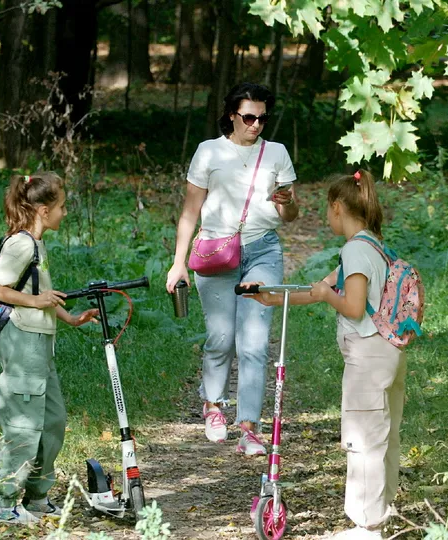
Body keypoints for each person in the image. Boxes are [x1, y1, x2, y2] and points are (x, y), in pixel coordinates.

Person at [244, 170, 406, 540]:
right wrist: (270, 296)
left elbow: (352, 306)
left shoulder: (355, 250)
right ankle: (380, 516)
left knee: (363, 440)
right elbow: (320, 288)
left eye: (326, 209)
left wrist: (327, 296)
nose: (326, 216)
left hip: (368, 357)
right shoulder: (374, 246)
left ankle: (367, 527)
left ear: (337, 207)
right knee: (384, 438)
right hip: (389, 352)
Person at [165, 82, 300, 456]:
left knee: (254, 342)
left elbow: (290, 215)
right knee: (221, 336)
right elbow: (190, 211)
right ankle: (213, 405)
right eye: (249, 117)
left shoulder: (276, 153)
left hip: (262, 251)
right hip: (217, 251)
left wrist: (286, 202)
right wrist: (178, 263)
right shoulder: (209, 151)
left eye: (262, 118)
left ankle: (249, 428)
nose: (256, 125)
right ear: (232, 116)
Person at [0, 172, 99, 524]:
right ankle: (5, 505)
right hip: (23, 342)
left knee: (52, 420)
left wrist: (70, 318)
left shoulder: (36, 243)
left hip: (40, 343)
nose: (65, 212)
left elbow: (39, 293)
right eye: (62, 207)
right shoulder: (20, 244)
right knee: (23, 423)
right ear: (44, 210)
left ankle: (36, 497)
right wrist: (36, 302)